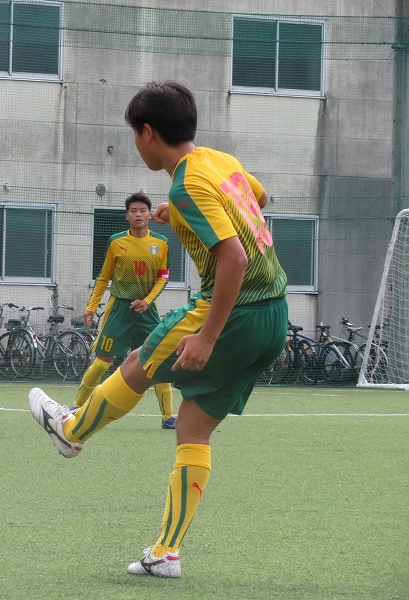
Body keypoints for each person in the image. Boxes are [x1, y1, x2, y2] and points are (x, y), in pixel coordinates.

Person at [28, 81, 288, 578]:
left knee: (137, 362)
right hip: (273, 316)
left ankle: (72, 431)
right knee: (193, 429)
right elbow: (258, 196)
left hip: (232, 309)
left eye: (134, 134)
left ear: (148, 133)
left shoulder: (185, 186)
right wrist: (184, 215)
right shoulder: (219, 161)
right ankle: (166, 553)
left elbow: (233, 258)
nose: (135, 143)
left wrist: (208, 336)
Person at [74, 192, 175, 429]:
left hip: (147, 311)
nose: (138, 214)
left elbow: (162, 278)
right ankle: (75, 408)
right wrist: (91, 307)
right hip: (119, 309)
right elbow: (104, 277)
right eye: (133, 211)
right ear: (126, 216)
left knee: (158, 363)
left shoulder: (161, 243)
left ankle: (168, 418)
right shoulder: (116, 241)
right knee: (102, 363)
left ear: (150, 215)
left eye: (142, 210)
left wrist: (147, 300)